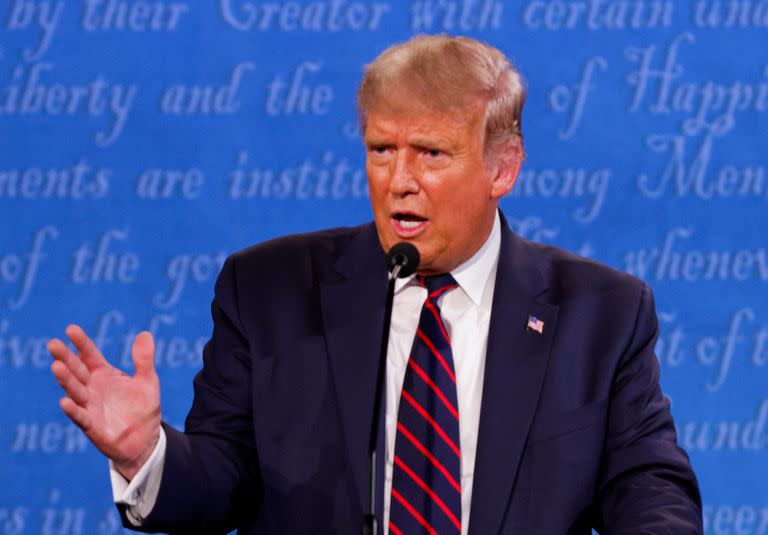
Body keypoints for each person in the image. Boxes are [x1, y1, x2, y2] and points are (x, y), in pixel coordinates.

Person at [47, 35, 702, 534]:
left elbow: (648, 488)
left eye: (431, 153)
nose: (399, 180)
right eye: (381, 149)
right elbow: (224, 480)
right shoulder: (269, 290)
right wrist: (147, 454)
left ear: (503, 167)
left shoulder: (599, 313)